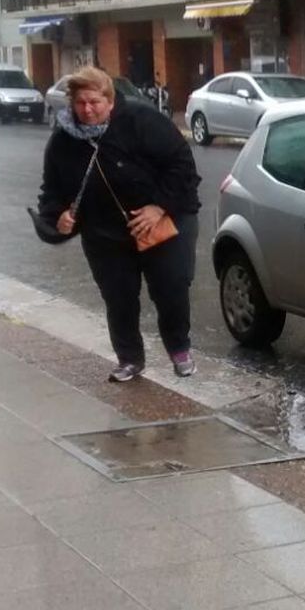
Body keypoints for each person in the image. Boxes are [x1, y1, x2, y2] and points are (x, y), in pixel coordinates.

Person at [37, 66, 202, 381]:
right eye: (81, 103)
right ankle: (129, 358)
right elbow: (52, 191)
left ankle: (179, 348)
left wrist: (159, 206)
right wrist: (57, 215)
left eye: (95, 102)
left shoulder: (143, 121)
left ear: (110, 101)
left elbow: (183, 167)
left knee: (171, 288)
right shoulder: (63, 141)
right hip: (104, 232)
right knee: (118, 296)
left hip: (161, 221)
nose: (87, 110)